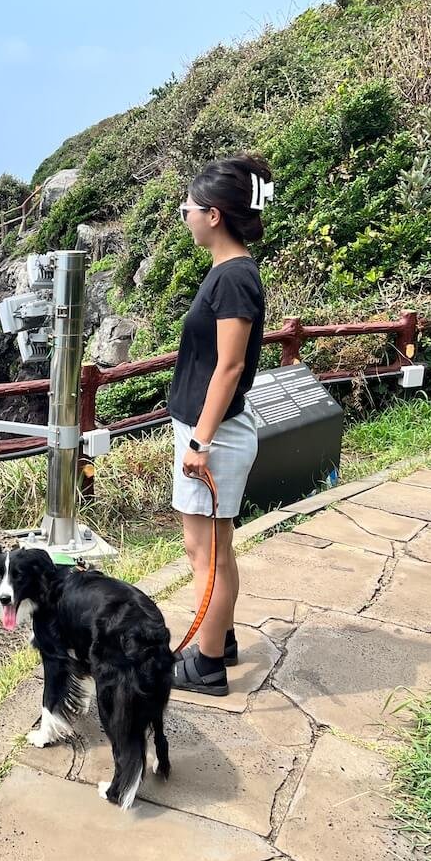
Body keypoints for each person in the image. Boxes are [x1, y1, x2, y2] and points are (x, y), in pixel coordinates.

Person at [168, 154, 270, 696]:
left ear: (213, 215)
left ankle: (206, 665)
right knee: (218, 546)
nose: (183, 214)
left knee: (202, 550)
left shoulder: (233, 278)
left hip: (214, 434)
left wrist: (199, 441)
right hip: (215, 430)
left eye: (188, 206)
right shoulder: (230, 271)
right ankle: (220, 638)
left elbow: (229, 366)